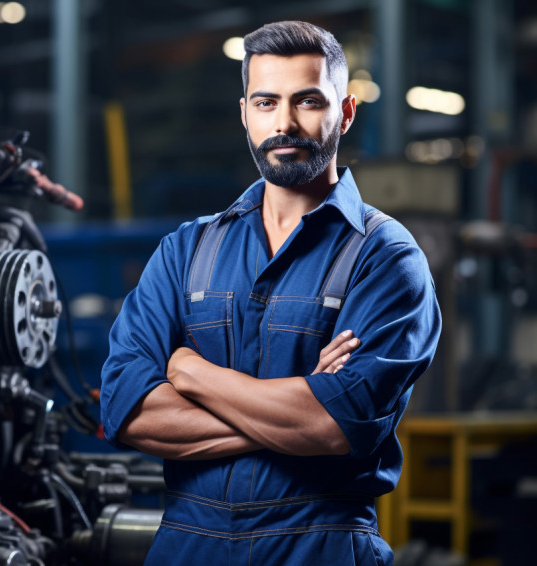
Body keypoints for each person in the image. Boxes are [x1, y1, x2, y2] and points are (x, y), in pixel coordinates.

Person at [100, 20, 442, 565]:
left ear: (345, 113)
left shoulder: (385, 258)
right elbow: (127, 410)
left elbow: (334, 425)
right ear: (244, 114)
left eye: (307, 101)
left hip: (320, 543)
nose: (284, 123)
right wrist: (298, 407)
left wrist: (192, 373)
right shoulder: (186, 250)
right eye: (265, 103)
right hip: (187, 544)